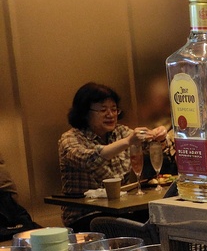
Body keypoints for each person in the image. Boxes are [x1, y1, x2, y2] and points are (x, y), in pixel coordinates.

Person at [57, 83, 159, 229]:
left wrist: (159, 137)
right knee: (137, 227)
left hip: (122, 209)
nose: (110, 115)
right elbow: (91, 160)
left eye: (114, 109)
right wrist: (127, 142)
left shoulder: (120, 131)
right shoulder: (70, 139)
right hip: (87, 215)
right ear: (85, 112)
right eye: (103, 110)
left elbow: (150, 145)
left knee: (159, 217)